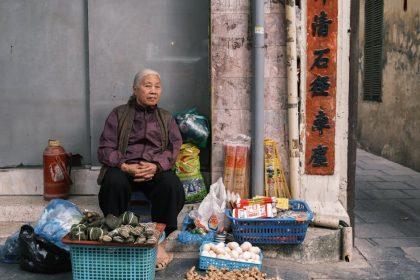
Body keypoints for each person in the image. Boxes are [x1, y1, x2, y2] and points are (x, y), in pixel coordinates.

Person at [97, 69, 185, 270]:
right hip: (125, 167)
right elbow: (105, 148)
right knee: (113, 181)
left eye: (157, 86)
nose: (153, 91)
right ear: (135, 89)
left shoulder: (166, 117)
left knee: (171, 185)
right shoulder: (118, 114)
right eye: (148, 85)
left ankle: (160, 242)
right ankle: (116, 237)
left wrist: (156, 166)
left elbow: (174, 147)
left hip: (154, 170)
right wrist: (124, 165)